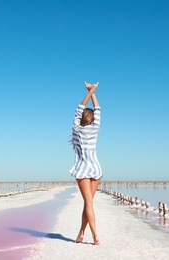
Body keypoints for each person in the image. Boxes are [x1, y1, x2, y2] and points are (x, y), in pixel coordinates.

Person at [69, 81, 102, 245]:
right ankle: (81, 233)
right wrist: (93, 92)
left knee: (88, 203)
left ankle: (95, 236)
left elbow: (78, 110)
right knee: (88, 203)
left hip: (83, 169)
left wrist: (89, 92)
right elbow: (99, 110)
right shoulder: (95, 128)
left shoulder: (76, 128)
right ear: (93, 119)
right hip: (96, 169)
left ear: (82, 118)